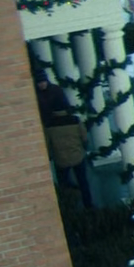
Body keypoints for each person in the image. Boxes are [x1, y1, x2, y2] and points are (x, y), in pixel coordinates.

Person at [37, 72, 91, 207]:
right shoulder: (75, 121)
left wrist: (51, 156)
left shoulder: (49, 126)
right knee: (83, 181)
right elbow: (84, 138)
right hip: (77, 155)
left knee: (63, 183)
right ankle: (88, 204)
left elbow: (48, 146)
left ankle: (69, 206)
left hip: (60, 159)